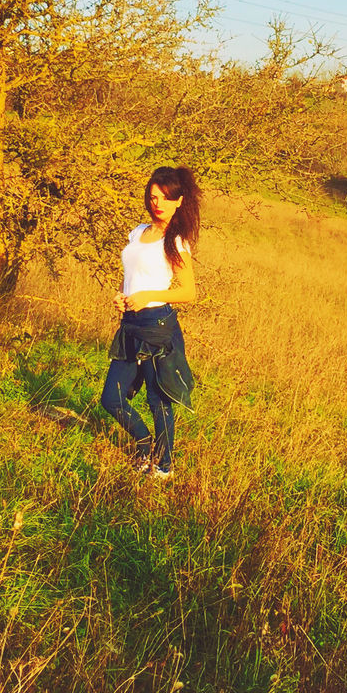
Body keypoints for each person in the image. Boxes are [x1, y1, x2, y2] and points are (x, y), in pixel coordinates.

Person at [100, 166, 200, 480]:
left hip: (157, 325)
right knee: (111, 398)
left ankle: (164, 467)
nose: (158, 203)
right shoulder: (137, 232)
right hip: (130, 323)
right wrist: (124, 294)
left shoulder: (177, 241)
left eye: (165, 198)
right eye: (154, 196)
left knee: (158, 400)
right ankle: (145, 444)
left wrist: (146, 297)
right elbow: (132, 274)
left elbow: (189, 292)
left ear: (178, 201)